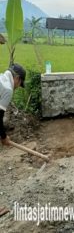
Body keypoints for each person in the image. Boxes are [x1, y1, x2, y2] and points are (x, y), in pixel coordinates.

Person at [0, 63, 26, 217]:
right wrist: (4, 137)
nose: (18, 87)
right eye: (20, 84)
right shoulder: (7, 89)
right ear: (16, 78)